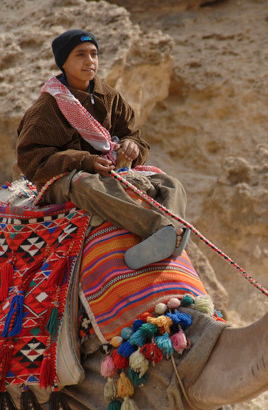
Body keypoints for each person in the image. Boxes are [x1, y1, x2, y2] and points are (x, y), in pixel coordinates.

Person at [17, 29, 190, 268]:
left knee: (170, 183)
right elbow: (31, 160)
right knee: (87, 185)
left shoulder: (108, 96)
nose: (90, 61)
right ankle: (160, 230)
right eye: (80, 55)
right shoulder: (46, 108)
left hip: (109, 171)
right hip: (62, 179)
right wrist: (85, 162)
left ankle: (174, 230)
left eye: (94, 54)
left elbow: (134, 136)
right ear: (64, 63)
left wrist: (132, 147)